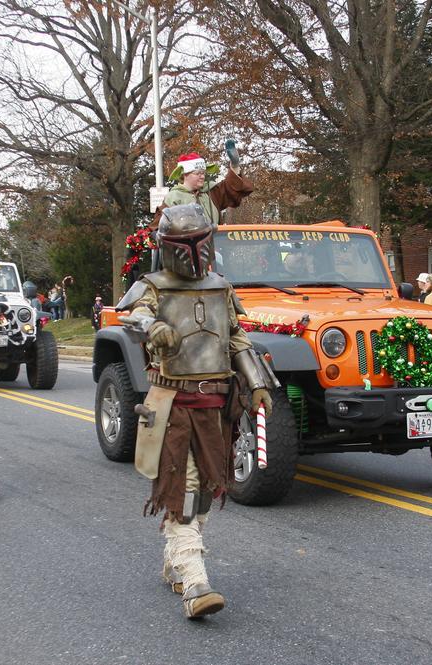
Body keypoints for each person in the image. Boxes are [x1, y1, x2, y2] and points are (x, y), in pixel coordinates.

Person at [117, 203, 272, 619]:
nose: (191, 250)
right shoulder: (152, 285)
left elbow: (236, 338)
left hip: (215, 404)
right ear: (167, 246)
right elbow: (133, 315)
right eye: (182, 243)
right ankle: (196, 583)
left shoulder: (221, 286)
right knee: (183, 490)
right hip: (172, 404)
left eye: (197, 241)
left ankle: (177, 561)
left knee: (206, 489)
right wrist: (153, 327)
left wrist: (257, 384)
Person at [155, 146, 254, 230]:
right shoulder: (173, 197)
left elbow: (232, 187)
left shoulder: (211, 192)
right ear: (185, 175)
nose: (202, 176)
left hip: (215, 248)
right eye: (198, 173)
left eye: (203, 173)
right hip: (187, 250)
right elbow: (160, 227)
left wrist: (235, 165)